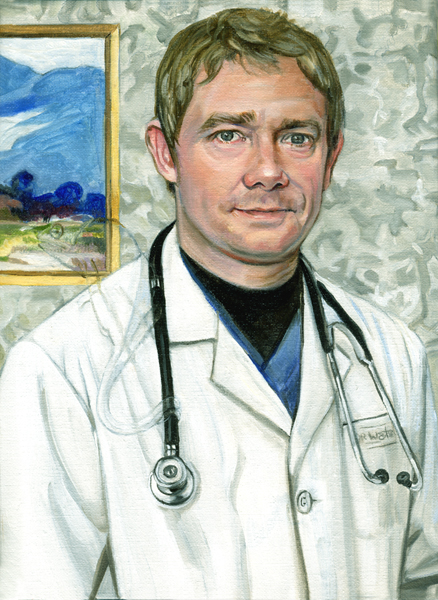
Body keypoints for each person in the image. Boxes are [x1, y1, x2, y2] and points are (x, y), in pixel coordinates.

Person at [0, 8, 437, 600]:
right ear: (166, 154)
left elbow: (424, 578)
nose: (268, 171)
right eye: (229, 134)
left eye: (297, 137)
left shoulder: (390, 354)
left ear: (331, 157)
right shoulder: (64, 367)